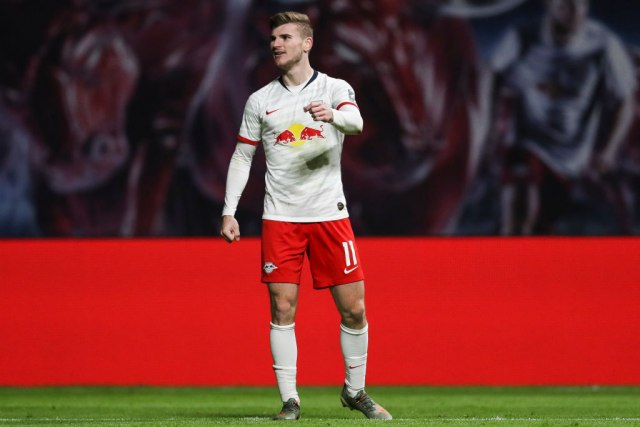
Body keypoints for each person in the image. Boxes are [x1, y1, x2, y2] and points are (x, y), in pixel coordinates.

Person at [219, 11, 392, 421]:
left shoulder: (334, 88)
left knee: (354, 310)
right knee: (282, 309)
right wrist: (229, 211)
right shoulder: (260, 100)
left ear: (307, 43)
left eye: (285, 37)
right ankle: (290, 400)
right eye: (273, 39)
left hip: (330, 215)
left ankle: (355, 391)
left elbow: (356, 122)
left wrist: (334, 116)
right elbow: (242, 156)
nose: (276, 44)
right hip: (281, 218)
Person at [489, 0, 636, 234]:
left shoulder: (603, 45)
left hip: (569, 157)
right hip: (526, 142)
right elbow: (492, 75)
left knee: (540, 228)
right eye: (566, 5)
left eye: (581, 5)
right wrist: (489, 127)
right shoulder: (523, 36)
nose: (575, 12)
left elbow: (624, 101)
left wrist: (609, 150)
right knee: (517, 220)